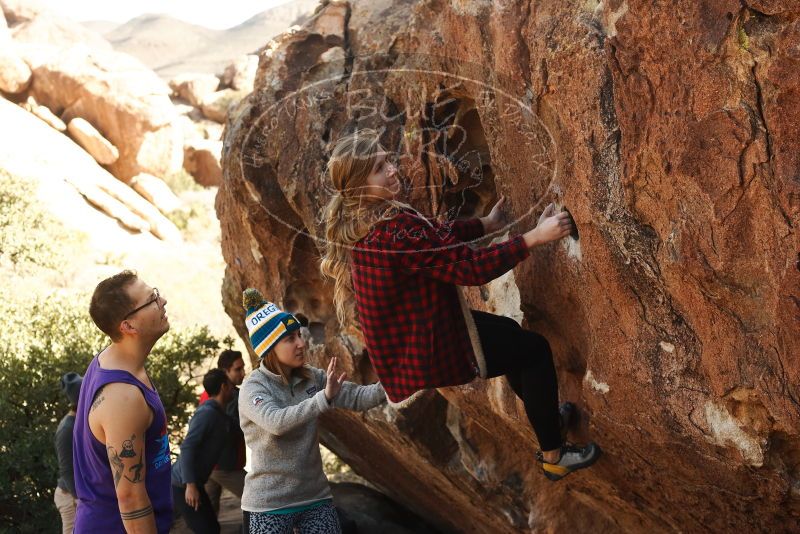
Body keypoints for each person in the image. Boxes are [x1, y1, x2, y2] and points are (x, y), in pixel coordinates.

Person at [320, 129, 601, 481]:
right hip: (436, 345)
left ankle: (546, 418)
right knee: (534, 351)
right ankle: (554, 456)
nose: (392, 169)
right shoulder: (390, 231)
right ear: (360, 186)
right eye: (379, 168)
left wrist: (485, 224)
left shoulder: (373, 224)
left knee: (513, 338)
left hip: (431, 333)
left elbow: (435, 238)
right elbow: (470, 269)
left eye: (388, 160)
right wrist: (534, 237)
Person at [238, 288, 386, 533]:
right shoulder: (253, 388)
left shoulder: (312, 377)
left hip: (315, 498)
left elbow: (360, 397)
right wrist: (322, 399)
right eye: (290, 338)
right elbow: (276, 423)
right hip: (269, 504)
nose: (300, 343)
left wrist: (402, 382)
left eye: (299, 334)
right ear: (269, 348)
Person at [73, 270, 173, 532]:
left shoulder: (113, 360)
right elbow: (130, 498)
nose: (162, 302)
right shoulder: (122, 396)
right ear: (128, 326)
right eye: (152, 299)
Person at [172, 369, 235, 534]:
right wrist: (190, 485)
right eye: (230, 384)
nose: (233, 388)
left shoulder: (220, 414)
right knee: (207, 530)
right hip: (182, 484)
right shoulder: (207, 414)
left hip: (196, 483)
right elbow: (187, 448)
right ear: (224, 387)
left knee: (212, 528)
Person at [198, 350, 247, 515]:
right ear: (225, 372)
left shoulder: (207, 392)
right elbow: (232, 428)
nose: (243, 373)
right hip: (224, 466)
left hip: (209, 463)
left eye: (243, 368)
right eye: (238, 369)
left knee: (210, 514)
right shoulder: (228, 396)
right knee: (257, 498)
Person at [54, 372, 82, 534]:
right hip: (69, 496)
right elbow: (66, 469)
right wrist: (80, 499)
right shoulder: (67, 429)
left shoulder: (78, 422)